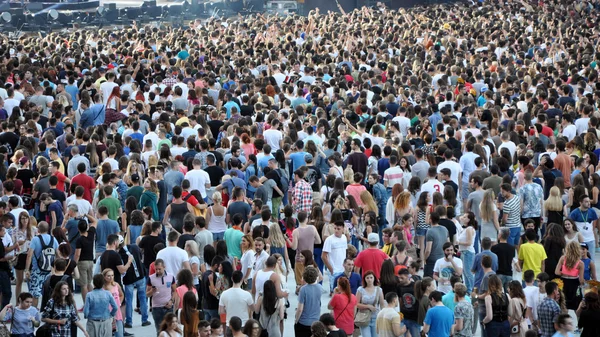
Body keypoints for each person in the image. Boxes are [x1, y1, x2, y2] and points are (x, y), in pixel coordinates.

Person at [25, 221, 58, 308]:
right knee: (48, 293)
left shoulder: (35, 239)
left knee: (35, 294)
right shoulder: (53, 239)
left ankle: (34, 315)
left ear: (38, 229)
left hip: (37, 270)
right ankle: (47, 313)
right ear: (48, 229)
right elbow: (58, 255)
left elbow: (29, 255)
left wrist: (27, 269)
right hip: (49, 271)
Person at [147, 259, 178, 333]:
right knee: (159, 330)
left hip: (168, 307)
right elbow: (147, 294)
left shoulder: (171, 277)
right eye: (156, 269)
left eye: (159, 269)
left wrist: (171, 301)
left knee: (170, 329)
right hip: (157, 308)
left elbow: (175, 291)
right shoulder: (151, 278)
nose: (157, 271)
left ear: (164, 267)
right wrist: (152, 291)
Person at [555, 241, 584, 310]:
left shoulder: (562, 258)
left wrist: (564, 273)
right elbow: (581, 280)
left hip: (564, 282)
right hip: (574, 283)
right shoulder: (580, 263)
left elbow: (556, 272)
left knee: (563, 304)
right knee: (576, 305)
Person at [295, 267, 322, 337]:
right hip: (316, 321)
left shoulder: (303, 289)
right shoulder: (319, 287)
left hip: (304, 322)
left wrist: (296, 320)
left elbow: (300, 309)